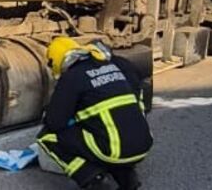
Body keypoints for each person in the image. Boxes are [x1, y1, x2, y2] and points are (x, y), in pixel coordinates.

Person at [37, 38, 152, 189]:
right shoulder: (112, 66)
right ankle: (127, 176)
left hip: (113, 150)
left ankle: (93, 179)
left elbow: (55, 122)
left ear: (57, 60)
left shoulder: (72, 77)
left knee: (47, 136)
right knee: (106, 132)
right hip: (143, 145)